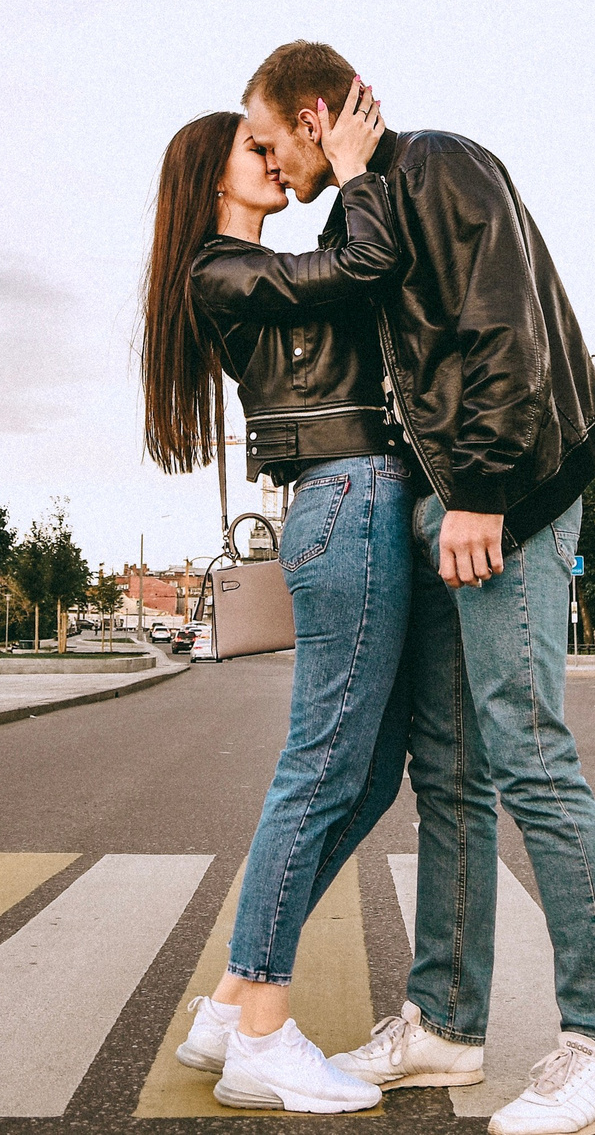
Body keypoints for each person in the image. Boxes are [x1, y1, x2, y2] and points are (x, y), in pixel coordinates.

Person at [241, 42, 595, 1135]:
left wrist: (479, 493)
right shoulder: (365, 208)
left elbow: (499, 324)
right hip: (441, 503)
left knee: (529, 751)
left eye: (274, 141)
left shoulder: (441, 166)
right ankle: (444, 1024)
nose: (272, 169)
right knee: (452, 770)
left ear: (316, 113)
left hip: (501, 489)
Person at [140, 81, 405, 1114]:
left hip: (353, 498)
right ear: (213, 174)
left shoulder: (243, 267)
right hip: (346, 500)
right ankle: (262, 1032)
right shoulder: (223, 271)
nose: (276, 157)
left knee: (369, 771)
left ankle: (229, 1000)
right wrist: (354, 171)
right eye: (257, 146)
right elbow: (357, 265)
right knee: (320, 766)